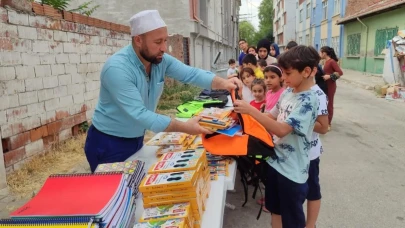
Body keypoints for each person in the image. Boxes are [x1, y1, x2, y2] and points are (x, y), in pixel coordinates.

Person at [84, 10, 243, 172]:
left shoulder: (159, 60)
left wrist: (224, 83)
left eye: (165, 40)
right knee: (115, 194)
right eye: (158, 42)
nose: (164, 48)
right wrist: (186, 127)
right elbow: (140, 114)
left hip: (136, 138)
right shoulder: (117, 69)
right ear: (138, 40)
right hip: (108, 143)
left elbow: (190, 74)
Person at [233, 45, 320, 228]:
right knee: (275, 211)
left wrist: (250, 110)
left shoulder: (309, 101)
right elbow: (271, 116)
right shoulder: (288, 92)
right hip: (274, 163)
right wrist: (244, 116)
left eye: (287, 73)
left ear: (306, 72)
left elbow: (281, 129)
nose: (284, 78)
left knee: (292, 221)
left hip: (292, 172)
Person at [306, 67, 329, 228]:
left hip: (310, 154)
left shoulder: (317, 94)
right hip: (293, 154)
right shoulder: (291, 90)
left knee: (312, 190)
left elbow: (323, 127)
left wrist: (298, 120)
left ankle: (310, 225)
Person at [319, 46, 343, 131]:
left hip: (331, 85)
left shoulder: (332, 61)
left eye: (320, 52)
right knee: (325, 103)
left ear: (324, 53)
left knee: (329, 104)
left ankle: (328, 123)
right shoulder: (325, 62)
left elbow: (340, 72)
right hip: (325, 85)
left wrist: (329, 76)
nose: (320, 54)